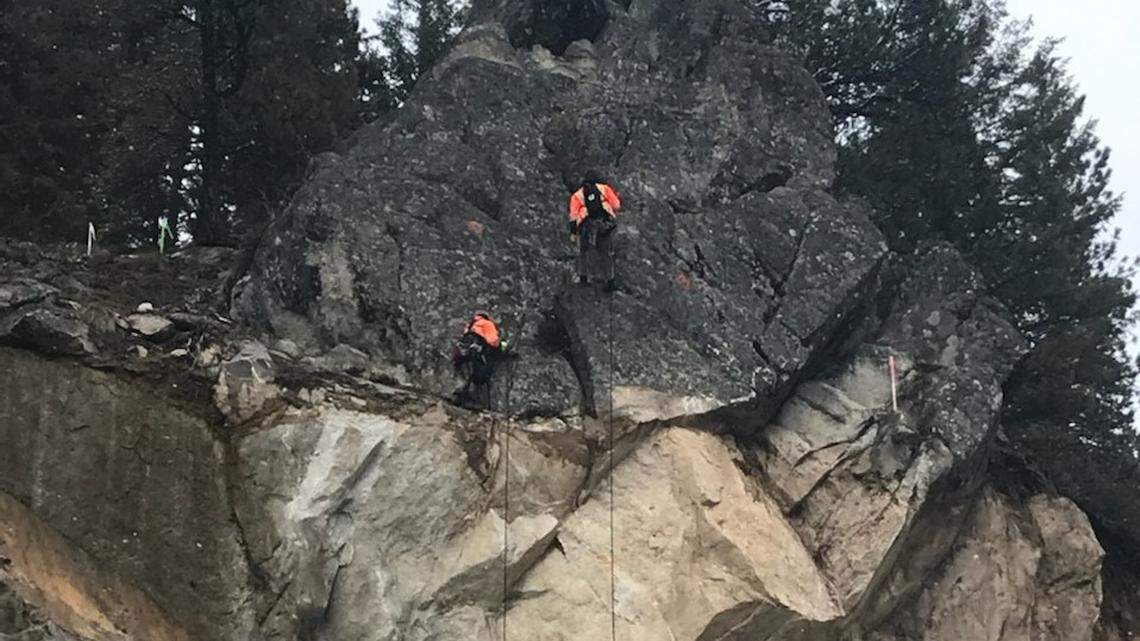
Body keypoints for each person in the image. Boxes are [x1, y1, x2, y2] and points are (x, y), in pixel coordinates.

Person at [568, 175, 622, 291]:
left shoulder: (577, 196)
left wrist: (573, 232)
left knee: (583, 251)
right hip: (603, 224)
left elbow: (573, 216)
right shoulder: (605, 189)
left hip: (586, 224)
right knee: (606, 253)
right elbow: (616, 205)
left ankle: (583, 277)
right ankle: (609, 281)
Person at [452, 311, 508, 409]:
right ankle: (472, 401)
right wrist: (503, 348)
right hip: (477, 353)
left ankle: (459, 398)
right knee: (480, 376)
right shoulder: (487, 324)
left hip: (463, 354)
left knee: (467, 375)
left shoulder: (471, 326)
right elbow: (493, 342)